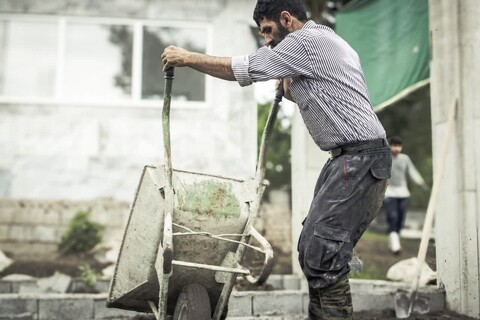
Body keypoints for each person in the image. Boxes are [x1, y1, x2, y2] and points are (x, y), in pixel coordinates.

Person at [161, 0, 392, 318]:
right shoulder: (324, 39)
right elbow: (328, 92)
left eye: (268, 30)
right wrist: (292, 85)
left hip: (358, 159)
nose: (266, 39)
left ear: (286, 19)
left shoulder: (305, 41)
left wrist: (187, 58)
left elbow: (241, 68)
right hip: (349, 158)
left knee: (325, 251)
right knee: (311, 248)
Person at [384, 135, 428, 255]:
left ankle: (393, 241)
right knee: (392, 217)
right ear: (389, 145)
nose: (396, 148)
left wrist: (421, 183)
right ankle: (395, 245)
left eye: (398, 146)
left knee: (400, 219)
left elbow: (412, 172)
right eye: (394, 145)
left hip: (403, 193)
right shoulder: (385, 158)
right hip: (389, 192)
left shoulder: (405, 159)